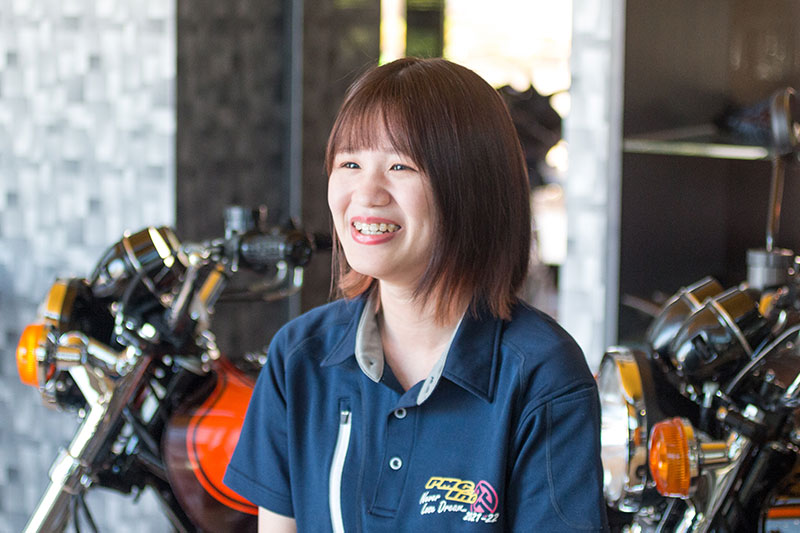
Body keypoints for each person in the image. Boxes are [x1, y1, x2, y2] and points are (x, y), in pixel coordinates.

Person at [224, 57, 609, 532]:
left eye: (400, 165)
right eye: (350, 163)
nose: (366, 193)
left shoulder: (542, 374)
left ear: (472, 187)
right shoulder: (298, 358)